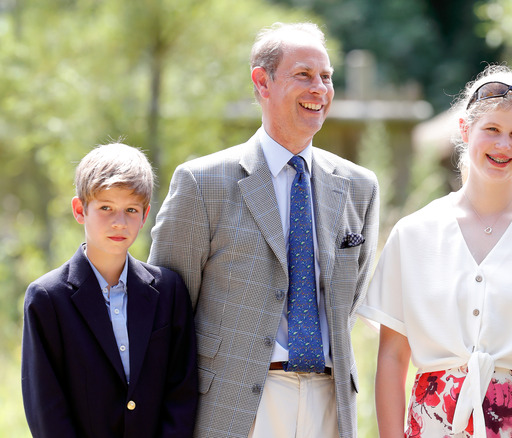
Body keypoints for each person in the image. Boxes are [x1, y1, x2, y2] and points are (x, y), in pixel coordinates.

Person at [148, 22, 379, 438]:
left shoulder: (359, 187)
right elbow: (166, 313)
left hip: (330, 404)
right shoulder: (202, 183)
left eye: (326, 77)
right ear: (262, 81)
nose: (320, 89)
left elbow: (351, 298)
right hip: (235, 407)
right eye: (304, 75)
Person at [359, 65, 512, 438]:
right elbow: (392, 357)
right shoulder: (414, 233)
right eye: (492, 130)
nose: (503, 145)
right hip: (433, 423)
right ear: (465, 130)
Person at [21, 143, 198, 438]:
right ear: (80, 210)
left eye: (131, 209)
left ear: (145, 215)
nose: (119, 221)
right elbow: (46, 408)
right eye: (106, 208)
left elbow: (182, 391)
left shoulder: (169, 291)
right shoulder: (47, 299)